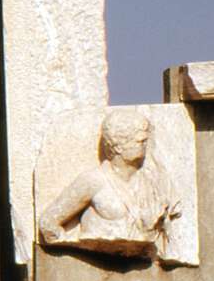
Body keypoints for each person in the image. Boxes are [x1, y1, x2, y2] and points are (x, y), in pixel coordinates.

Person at [38, 108, 179, 260]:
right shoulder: (94, 180)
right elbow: (48, 222)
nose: (145, 144)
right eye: (140, 141)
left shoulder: (150, 183)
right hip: (92, 265)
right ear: (118, 146)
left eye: (146, 140)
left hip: (140, 265)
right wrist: (72, 253)